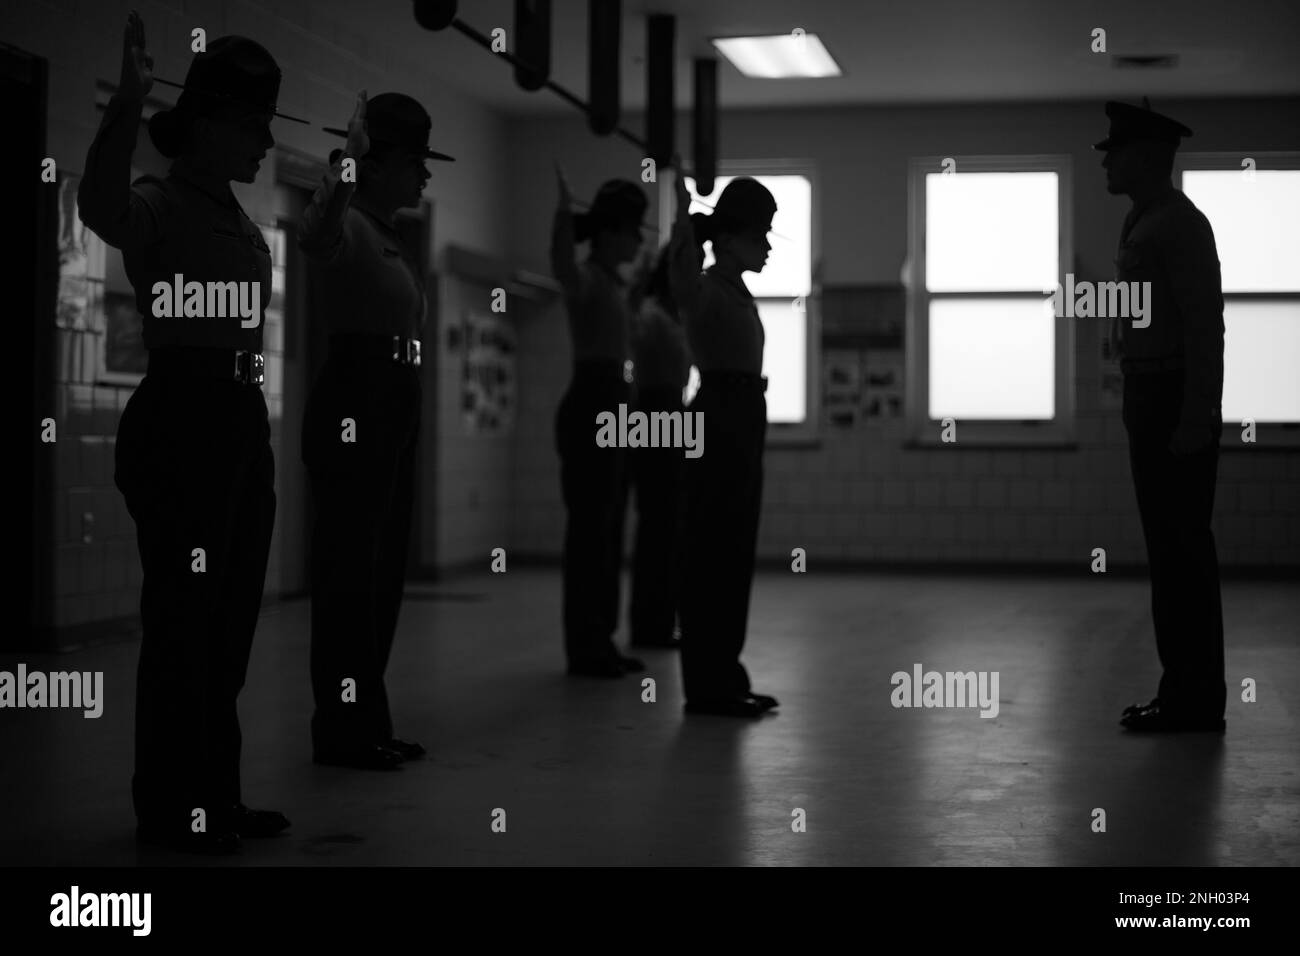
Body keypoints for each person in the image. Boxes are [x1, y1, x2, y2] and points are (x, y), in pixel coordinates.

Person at [79, 12, 297, 851]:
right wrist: (126, 105)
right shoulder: (158, 204)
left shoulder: (242, 222)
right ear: (204, 125)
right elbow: (97, 203)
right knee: (184, 622)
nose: (266, 142)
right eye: (253, 124)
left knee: (231, 622)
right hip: (183, 421)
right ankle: (172, 808)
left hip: (240, 421)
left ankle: (217, 796)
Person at [299, 92, 451, 769]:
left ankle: (368, 719)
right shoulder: (351, 222)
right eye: (416, 162)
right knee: (350, 571)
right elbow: (315, 234)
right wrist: (350, 164)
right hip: (357, 392)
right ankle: (342, 727)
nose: (425, 176)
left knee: (383, 567)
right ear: (380, 162)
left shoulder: (387, 232)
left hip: (392, 393)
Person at [1096, 99, 1228, 733]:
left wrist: (1197, 414)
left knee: (1183, 554)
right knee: (1166, 552)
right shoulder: (1140, 221)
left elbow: (1205, 327)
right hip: (1148, 396)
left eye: (1114, 152)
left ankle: (1195, 699)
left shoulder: (1179, 224)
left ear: (1145, 158)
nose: (1106, 162)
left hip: (1174, 396)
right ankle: (1182, 690)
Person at [667, 165, 780, 718]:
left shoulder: (735, 291)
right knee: (710, 551)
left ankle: (726, 674)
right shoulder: (706, 289)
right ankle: (706, 684)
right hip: (716, 415)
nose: (767, 248)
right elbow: (681, 275)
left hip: (741, 415)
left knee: (734, 549)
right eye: (760, 235)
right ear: (729, 239)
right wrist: (683, 223)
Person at [551, 170, 649, 677]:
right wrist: (565, 218)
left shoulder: (615, 285)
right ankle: (585, 644)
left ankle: (602, 637)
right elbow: (562, 265)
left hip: (617, 408)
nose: (637, 240)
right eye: (633, 230)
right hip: (593, 405)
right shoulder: (587, 279)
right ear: (610, 233)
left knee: (609, 528)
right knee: (591, 531)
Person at [627, 244, 694, 649]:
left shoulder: (673, 314)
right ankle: (649, 622)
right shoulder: (652, 313)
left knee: (668, 525)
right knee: (657, 523)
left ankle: (660, 618)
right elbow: (631, 334)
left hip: (672, 410)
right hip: (654, 410)